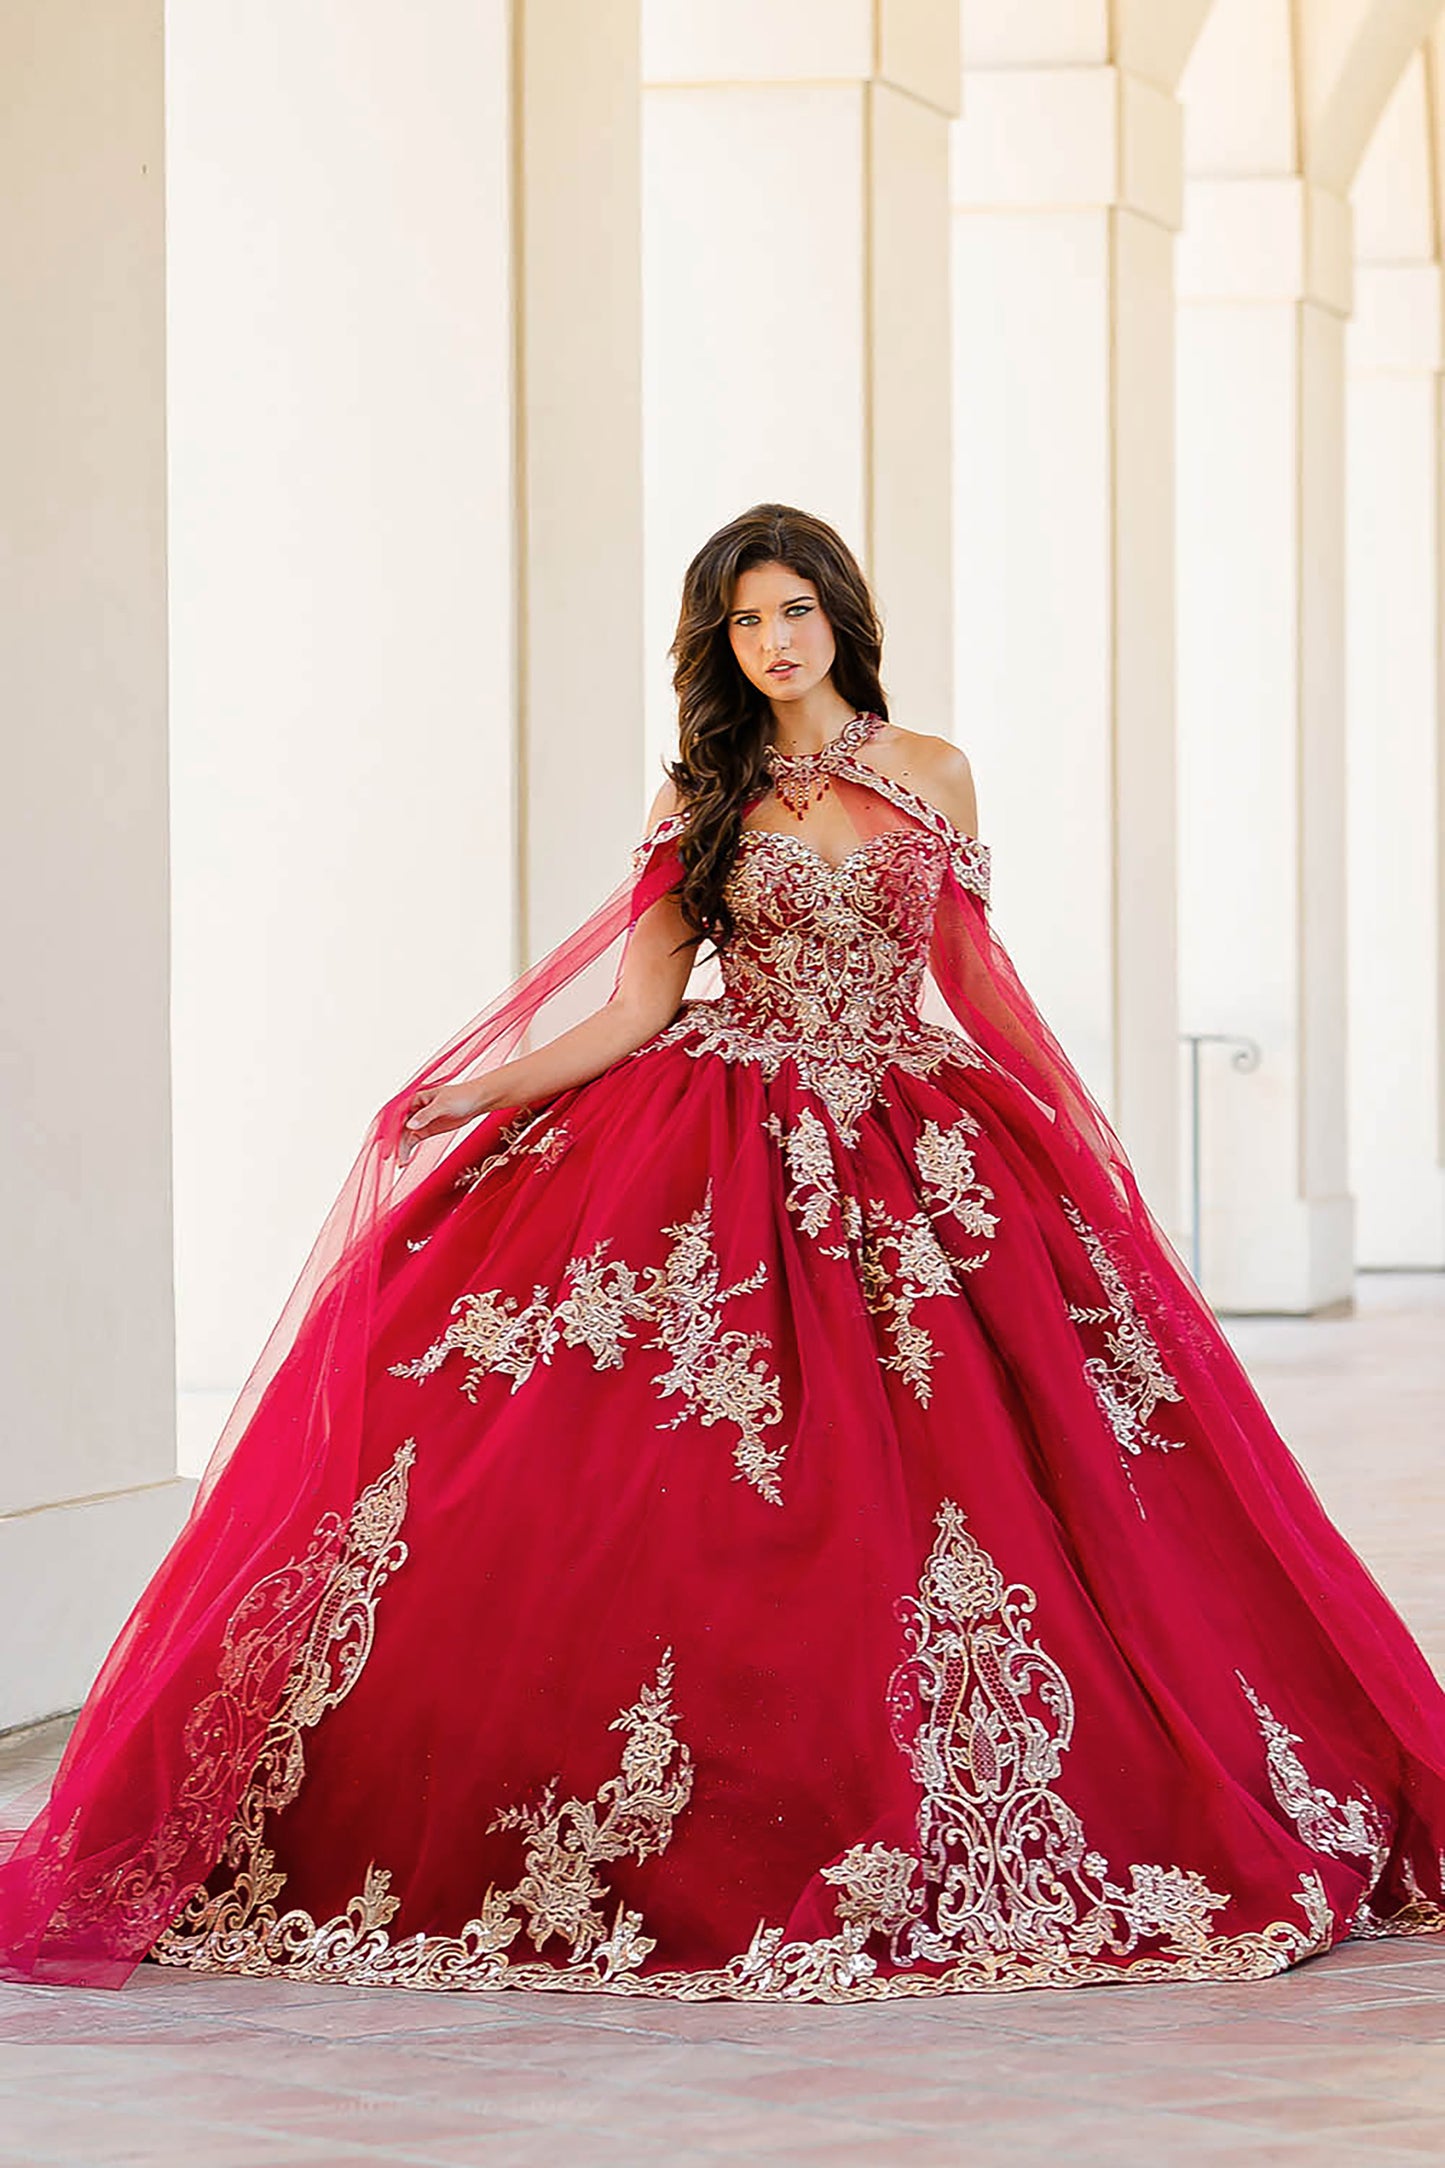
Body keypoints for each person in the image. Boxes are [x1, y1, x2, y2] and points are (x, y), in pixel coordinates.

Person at [3, 503, 1444, 2002]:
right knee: (662, 1488)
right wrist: (472, 1090)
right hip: (714, 1141)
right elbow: (631, 1008)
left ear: (841, 615)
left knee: (999, 1475)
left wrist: (1073, 1133)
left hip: (911, 1132)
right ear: (719, 641)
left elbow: (966, 975)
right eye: (744, 621)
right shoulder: (703, 786)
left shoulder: (930, 771)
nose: (771, 644)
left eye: (793, 613)